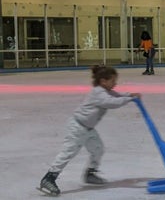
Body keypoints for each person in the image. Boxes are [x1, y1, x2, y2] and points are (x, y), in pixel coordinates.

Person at [38, 65, 141, 196]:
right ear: (103, 81)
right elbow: (111, 103)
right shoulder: (98, 92)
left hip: (88, 129)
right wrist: (130, 99)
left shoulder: (106, 90)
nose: (115, 84)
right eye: (113, 81)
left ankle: (90, 173)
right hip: (77, 127)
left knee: (98, 149)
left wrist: (129, 95)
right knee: (68, 152)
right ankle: (49, 178)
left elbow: (117, 95)